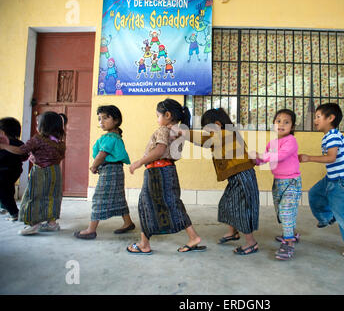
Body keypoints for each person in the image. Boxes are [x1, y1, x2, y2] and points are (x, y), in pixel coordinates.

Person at [126, 98, 206, 255]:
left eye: (158, 115)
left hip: (157, 172)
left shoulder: (163, 130)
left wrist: (139, 162)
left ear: (167, 115)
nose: (157, 119)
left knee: (146, 204)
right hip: (168, 171)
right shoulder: (178, 132)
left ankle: (144, 244)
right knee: (172, 203)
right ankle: (193, 237)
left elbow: (159, 150)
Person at [182, 108, 260, 255]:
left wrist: (184, 133)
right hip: (236, 178)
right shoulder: (225, 134)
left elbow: (204, 141)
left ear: (217, 125)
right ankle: (233, 232)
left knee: (241, 210)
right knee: (226, 204)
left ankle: (251, 243)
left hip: (243, 177)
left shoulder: (226, 134)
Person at [300, 103, 344, 259]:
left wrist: (308, 158)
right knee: (315, 194)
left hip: (343, 182)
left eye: (318, 117)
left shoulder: (332, 135)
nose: (315, 120)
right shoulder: (329, 136)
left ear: (330, 118)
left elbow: (331, 158)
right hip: (332, 178)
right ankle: (327, 217)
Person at [74, 105, 135, 239]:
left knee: (99, 198)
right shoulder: (115, 136)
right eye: (99, 119)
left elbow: (102, 154)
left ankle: (91, 229)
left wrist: (93, 166)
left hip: (110, 171)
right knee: (119, 197)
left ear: (116, 120)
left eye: (105, 118)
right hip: (117, 170)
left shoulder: (110, 137)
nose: (101, 121)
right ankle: (128, 222)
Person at [0, 112, 66, 235]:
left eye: (37, 123)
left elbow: (21, 150)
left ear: (43, 125)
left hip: (41, 171)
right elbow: (60, 157)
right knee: (52, 196)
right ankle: (52, 224)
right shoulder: (59, 141)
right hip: (55, 172)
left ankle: (33, 224)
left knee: (34, 196)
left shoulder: (38, 139)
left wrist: (4, 146)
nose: (36, 126)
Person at [252, 109, 301, 260]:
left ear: (292, 127)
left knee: (286, 209)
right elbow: (268, 159)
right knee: (281, 212)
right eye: (278, 121)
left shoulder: (291, 141)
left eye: (286, 122)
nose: (281, 124)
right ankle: (291, 233)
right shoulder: (271, 143)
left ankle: (288, 243)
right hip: (278, 182)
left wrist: (261, 156)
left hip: (292, 182)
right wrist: (255, 160)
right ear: (273, 124)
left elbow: (281, 155)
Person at [0, 117, 27, 221]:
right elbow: (25, 157)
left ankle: (14, 212)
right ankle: (5, 207)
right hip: (14, 171)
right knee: (8, 190)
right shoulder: (19, 143)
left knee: (4, 191)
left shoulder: (7, 144)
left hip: (5, 172)